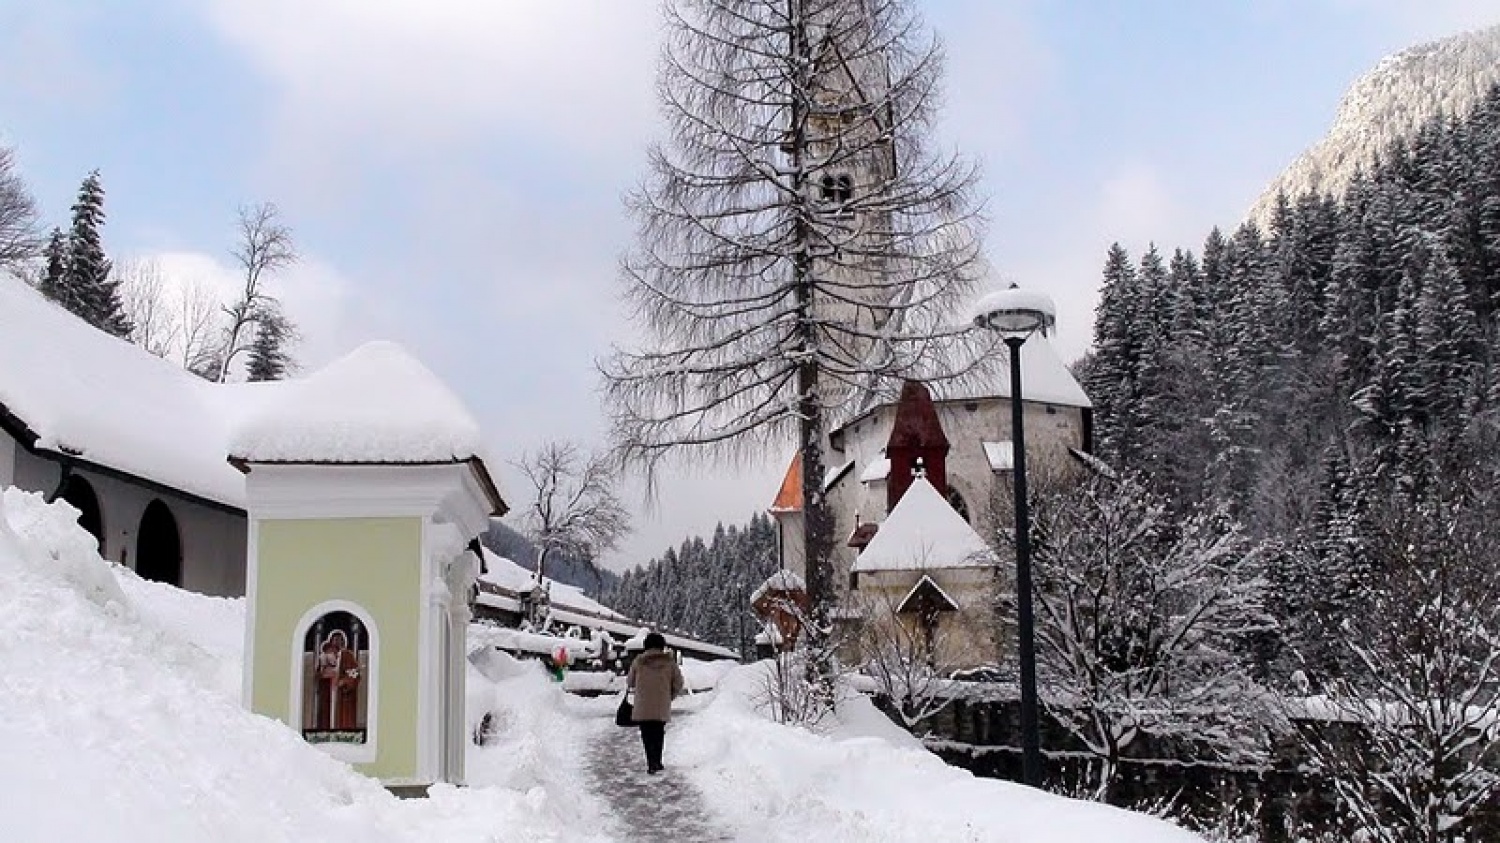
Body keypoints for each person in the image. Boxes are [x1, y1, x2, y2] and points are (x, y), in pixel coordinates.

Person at [626, 632, 685, 774]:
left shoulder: (638, 661)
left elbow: (630, 682)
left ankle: (650, 762)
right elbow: (679, 683)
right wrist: (670, 696)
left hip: (643, 705)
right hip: (661, 705)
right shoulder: (670, 662)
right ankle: (657, 761)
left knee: (647, 735)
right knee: (658, 733)